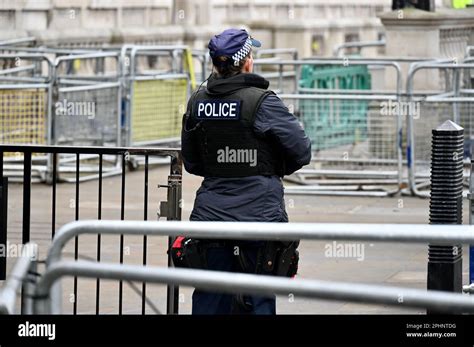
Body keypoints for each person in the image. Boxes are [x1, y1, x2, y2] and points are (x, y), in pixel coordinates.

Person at [181, 28, 312, 315]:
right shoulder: (262, 101)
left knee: (210, 298)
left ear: (215, 65)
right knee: (258, 299)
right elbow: (301, 151)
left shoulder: (197, 102)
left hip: (211, 217)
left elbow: (192, 163)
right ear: (247, 61)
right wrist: (271, 167)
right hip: (258, 218)